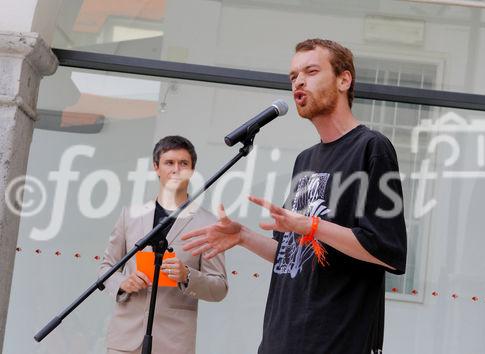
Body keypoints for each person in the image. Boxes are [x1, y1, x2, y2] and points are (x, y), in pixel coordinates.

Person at [181, 39, 407, 354]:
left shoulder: (371, 148)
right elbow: (291, 255)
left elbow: (387, 252)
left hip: (335, 342)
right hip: (281, 340)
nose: (298, 81)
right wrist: (243, 236)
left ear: (344, 80)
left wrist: (311, 226)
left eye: (311, 71)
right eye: (293, 76)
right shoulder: (305, 159)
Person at [100, 135, 228, 354]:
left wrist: (187, 275)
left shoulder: (209, 224)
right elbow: (106, 268)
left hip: (174, 342)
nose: (176, 169)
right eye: (169, 163)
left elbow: (219, 288)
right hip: (125, 340)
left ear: (192, 170)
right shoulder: (130, 215)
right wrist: (124, 283)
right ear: (156, 167)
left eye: (183, 163)